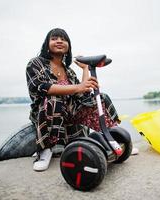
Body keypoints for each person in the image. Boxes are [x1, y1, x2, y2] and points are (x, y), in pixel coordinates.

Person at [26, 28, 121, 171]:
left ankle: (114, 139)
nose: (59, 41)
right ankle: (45, 151)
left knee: (100, 98)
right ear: (47, 44)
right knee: (54, 99)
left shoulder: (68, 70)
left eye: (63, 39)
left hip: (71, 113)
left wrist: (85, 70)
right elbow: (42, 87)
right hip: (47, 113)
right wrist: (79, 87)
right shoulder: (35, 63)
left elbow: (81, 93)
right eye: (54, 38)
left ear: (68, 46)